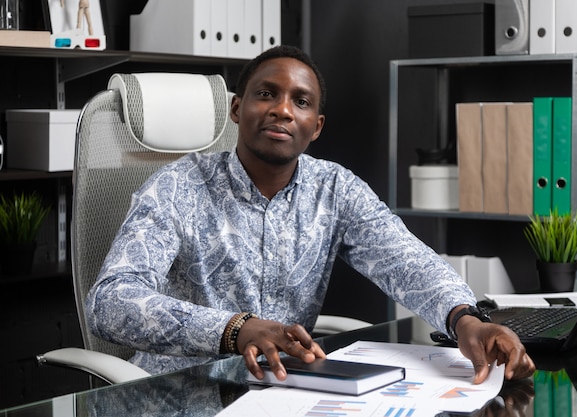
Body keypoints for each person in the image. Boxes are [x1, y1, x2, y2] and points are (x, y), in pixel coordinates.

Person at [86, 45, 535, 384]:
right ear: (238, 109)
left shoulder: (334, 188)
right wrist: (234, 329)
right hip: (179, 393)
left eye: (301, 101)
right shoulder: (178, 186)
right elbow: (111, 302)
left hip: (289, 389)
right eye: (266, 94)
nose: (283, 109)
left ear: (315, 126)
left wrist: (466, 320)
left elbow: (407, 261)